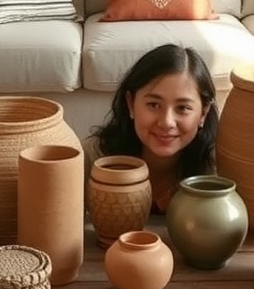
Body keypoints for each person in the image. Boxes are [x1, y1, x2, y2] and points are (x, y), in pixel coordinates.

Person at [83, 43, 219, 213]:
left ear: (203, 113)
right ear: (131, 104)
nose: (167, 122)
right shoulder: (91, 158)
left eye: (183, 108)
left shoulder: (217, 170)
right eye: (154, 105)